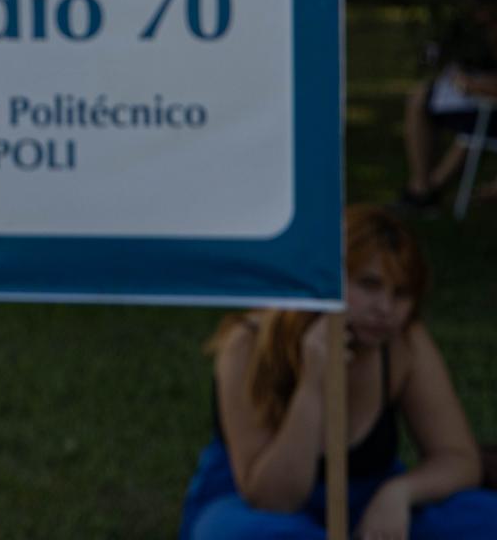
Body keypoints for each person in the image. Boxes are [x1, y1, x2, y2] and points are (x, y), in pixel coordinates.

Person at [177, 204, 497, 539]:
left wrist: (399, 493)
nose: (385, 308)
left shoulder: (403, 342)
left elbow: (459, 459)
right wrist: (312, 385)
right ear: (326, 275)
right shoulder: (249, 344)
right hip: (257, 509)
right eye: (369, 285)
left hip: (368, 500)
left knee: (484, 518)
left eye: (401, 293)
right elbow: (274, 499)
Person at [398, 0, 497, 212]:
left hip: (486, 109)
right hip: (479, 107)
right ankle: (423, 189)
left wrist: (474, 85)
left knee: (469, 132)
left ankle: (423, 191)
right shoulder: (470, 34)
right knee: (421, 98)